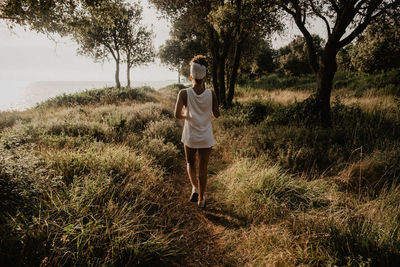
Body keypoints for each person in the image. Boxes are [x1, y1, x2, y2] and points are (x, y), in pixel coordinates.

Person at [174, 55, 220, 208]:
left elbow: (177, 114)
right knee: (203, 168)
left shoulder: (184, 93)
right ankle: (201, 199)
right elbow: (217, 114)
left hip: (190, 136)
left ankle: (194, 187)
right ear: (204, 77)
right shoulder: (211, 94)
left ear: (191, 76)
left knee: (190, 163)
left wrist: (188, 114)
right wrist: (208, 110)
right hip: (206, 136)